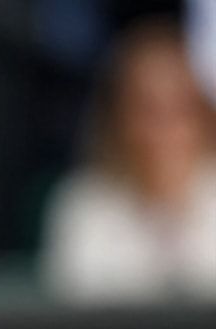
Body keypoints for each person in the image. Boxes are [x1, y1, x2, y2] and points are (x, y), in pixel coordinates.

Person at [40, 18, 216, 302]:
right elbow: (74, 320)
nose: (165, 128)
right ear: (118, 117)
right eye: (148, 110)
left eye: (182, 109)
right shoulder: (83, 205)